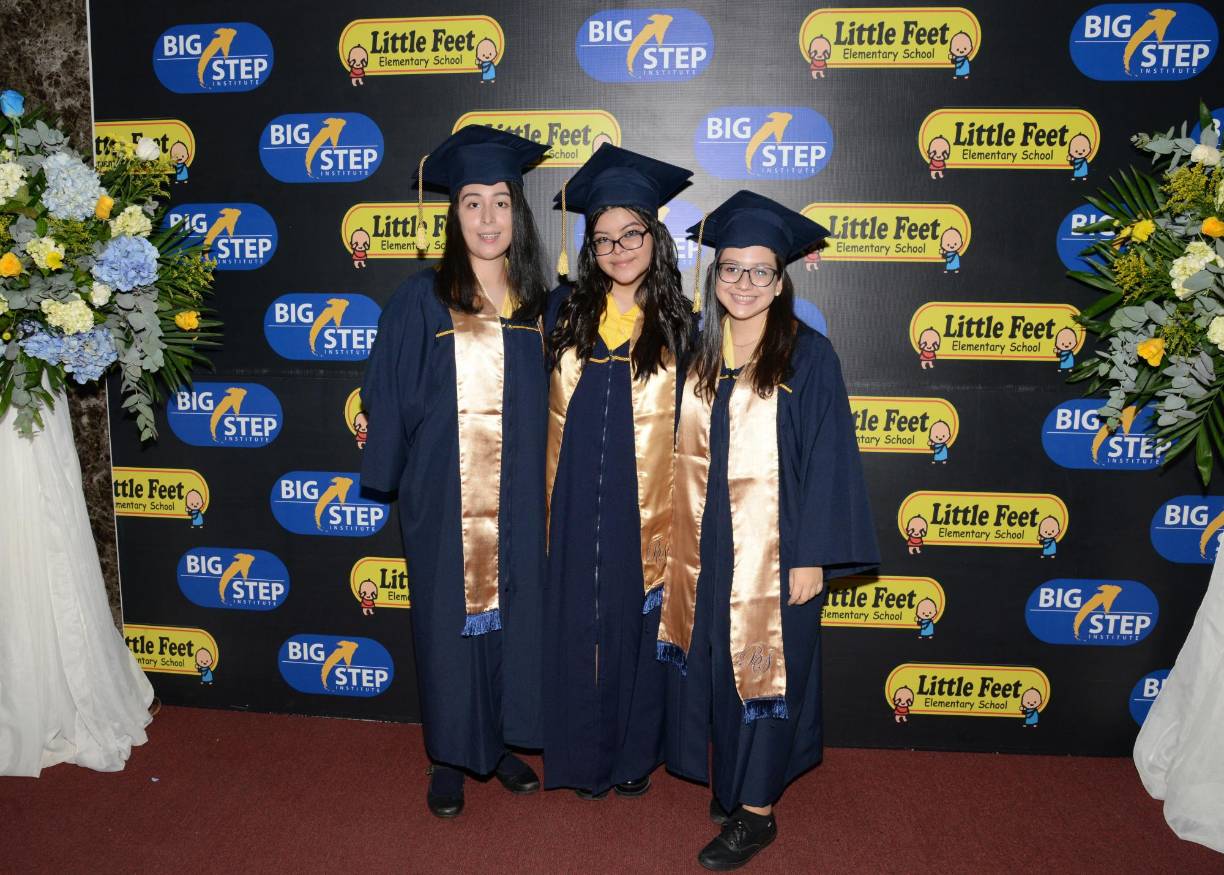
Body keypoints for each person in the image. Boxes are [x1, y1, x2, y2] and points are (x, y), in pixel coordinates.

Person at [657, 191, 879, 870]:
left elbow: (831, 459)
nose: (744, 283)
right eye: (730, 269)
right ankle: (733, 780)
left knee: (767, 670)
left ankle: (756, 811)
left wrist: (813, 556)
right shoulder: (697, 353)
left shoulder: (808, 357)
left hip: (779, 550)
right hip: (705, 544)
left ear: (781, 280)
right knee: (719, 665)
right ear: (713, 274)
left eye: (760, 271)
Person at [360, 126, 550, 818]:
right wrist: (394, 476)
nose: (489, 218)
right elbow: (388, 394)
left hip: (524, 500)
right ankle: (449, 754)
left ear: (518, 213)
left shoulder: (542, 307)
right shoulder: (419, 299)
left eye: (501, 201)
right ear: (453, 214)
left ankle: (497, 744)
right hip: (445, 498)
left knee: (513, 622)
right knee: (448, 628)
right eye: (473, 203)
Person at [544, 146, 693, 800]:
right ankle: (581, 755)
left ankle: (633, 754)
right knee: (578, 619)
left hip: (646, 504)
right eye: (603, 239)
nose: (618, 248)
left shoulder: (682, 326)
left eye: (631, 234)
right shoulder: (562, 315)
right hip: (574, 500)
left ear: (653, 238)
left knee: (639, 621)